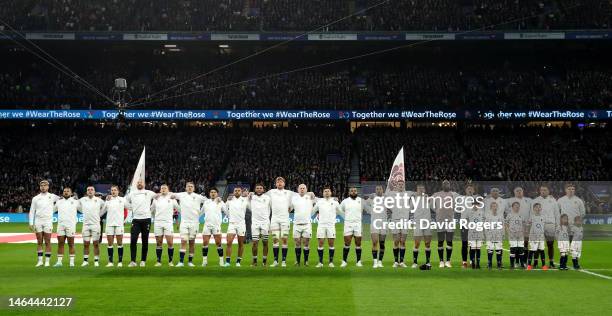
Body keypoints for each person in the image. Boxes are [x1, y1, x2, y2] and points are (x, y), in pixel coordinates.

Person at [171, 182, 207, 267]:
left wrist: (200, 213)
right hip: (184, 222)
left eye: (191, 186)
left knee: (192, 242)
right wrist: (168, 195)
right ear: (185, 188)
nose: (190, 188)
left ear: (194, 188)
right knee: (183, 241)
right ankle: (181, 262)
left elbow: (208, 201)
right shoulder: (181, 195)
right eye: (188, 186)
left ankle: (190, 261)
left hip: (194, 223)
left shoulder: (198, 197)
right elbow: (171, 194)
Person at [125, 180, 156, 267]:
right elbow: (125, 201)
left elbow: (158, 196)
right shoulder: (132, 193)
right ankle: (133, 261)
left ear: (144, 184)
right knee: (133, 240)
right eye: (138, 183)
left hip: (146, 219)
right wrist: (131, 208)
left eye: (141, 182)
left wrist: (151, 208)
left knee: (145, 240)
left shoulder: (149, 192)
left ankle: (143, 260)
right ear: (136, 184)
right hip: (136, 220)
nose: (139, 183)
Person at [29, 180, 59, 267]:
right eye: (41, 185)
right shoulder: (35, 198)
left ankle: (47, 261)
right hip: (38, 221)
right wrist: (31, 223)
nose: (43, 187)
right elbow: (32, 211)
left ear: (48, 187)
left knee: (47, 241)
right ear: (39, 187)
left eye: (45, 185)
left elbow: (62, 200)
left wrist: (53, 209)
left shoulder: (52, 196)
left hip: (48, 221)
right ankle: (40, 261)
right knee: (39, 241)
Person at [266, 177, 294, 267]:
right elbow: (261, 195)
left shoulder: (289, 193)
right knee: (275, 240)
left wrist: (310, 193)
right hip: (274, 219)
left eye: (281, 182)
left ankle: (284, 261)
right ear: (275, 184)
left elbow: (300, 195)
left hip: (285, 219)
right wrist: (251, 194)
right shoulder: (271, 192)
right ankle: (275, 261)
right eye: (278, 182)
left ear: (284, 184)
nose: (279, 183)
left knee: (284, 239)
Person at [432, 180, 459, 268]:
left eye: (447, 184)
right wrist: (437, 210)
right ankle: (441, 261)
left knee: (449, 241)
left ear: (450, 185)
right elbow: (430, 203)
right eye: (444, 184)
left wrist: (452, 210)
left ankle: (448, 261)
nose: (446, 185)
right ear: (442, 185)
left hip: (450, 220)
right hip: (440, 220)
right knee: (440, 241)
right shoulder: (436, 194)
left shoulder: (454, 194)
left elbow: (460, 201)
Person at [533, 185, 560, 268]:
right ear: (539, 191)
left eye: (545, 190)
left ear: (548, 191)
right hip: (539, 225)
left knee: (550, 244)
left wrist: (558, 225)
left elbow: (557, 213)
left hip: (550, 224)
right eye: (542, 190)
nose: (543, 191)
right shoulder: (535, 200)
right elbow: (532, 213)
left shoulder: (553, 200)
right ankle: (536, 262)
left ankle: (551, 262)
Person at [313, 187, 341, 268]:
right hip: (321, 225)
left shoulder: (335, 202)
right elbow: (312, 211)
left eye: (328, 191)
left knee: (331, 243)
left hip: (331, 225)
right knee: (320, 243)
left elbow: (340, 212)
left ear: (331, 193)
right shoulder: (319, 202)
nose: (327, 192)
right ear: (323, 193)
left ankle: (331, 262)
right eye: (325, 191)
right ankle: (320, 262)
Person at [151, 184, 178, 266]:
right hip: (158, 223)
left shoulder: (172, 198)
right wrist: (152, 218)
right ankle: (158, 261)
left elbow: (179, 208)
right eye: (162, 188)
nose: (163, 189)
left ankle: (170, 261)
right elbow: (151, 209)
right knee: (159, 242)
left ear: (168, 190)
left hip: (168, 222)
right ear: (160, 190)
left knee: (170, 242)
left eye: (165, 188)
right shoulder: (156, 199)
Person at [103, 185, 129, 267]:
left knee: (119, 243)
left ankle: (120, 262)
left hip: (119, 224)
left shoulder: (122, 200)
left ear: (118, 191)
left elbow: (130, 208)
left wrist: (125, 220)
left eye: (115, 190)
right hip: (109, 224)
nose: (113, 191)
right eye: (112, 190)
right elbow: (102, 211)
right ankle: (110, 262)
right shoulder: (108, 200)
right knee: (110, 243)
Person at [79, 186, 105, 267]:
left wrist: (99, 215)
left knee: (96, 243)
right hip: (86, 225)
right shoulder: (82, 200)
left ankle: (96, 260)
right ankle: (85, 261)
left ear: (94, 191)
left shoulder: (99, 200)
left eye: (91, 190)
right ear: (86, 192)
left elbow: (105, 207)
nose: (90, 191)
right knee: (86, 244)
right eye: (88, 190)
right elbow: (77, 206)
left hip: (96, 225)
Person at [290, 184, 316, 266]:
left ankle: (306, 261)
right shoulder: (294, 198)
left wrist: (334, 199)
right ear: (298, 189)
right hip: (296, 224)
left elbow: (320, 200)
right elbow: (289, 208)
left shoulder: (310, 197)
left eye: (303, 188)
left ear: (306, 189)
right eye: (300, 188)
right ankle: (297, 261)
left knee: (306, 243)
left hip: (307, 224)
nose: (302, 189)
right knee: (297, 243)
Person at [388, 180, 410, 268]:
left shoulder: (408, 194)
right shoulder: (392, 194)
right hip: (395, 220)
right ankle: (396, 261)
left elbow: (418, 194)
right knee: (396, 241)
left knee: (403, 241)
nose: (401, 186)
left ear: (404, 186)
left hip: (405, 220)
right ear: (397, 186)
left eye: (402, 184)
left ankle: (402, 261)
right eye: (399, 184)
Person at [364, 185, 388, 268]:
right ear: (375, 190)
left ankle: (380, 261)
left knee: (382, 243)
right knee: (374, 242)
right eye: (377, 189)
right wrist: (370, 211)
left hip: (383, 223)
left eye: (380, 189)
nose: (378, 190)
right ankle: (375, 261)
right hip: (374, 223)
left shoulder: (387, 198)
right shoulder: (372, 198)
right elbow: (364, 203)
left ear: (382, 190)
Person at [339, 187, 364, 268]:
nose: (353, 192)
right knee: (347, 243)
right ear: (349, 192)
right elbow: (340, 210)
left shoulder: (361, 201)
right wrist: (345, 217)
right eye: (351, 191)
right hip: (348, 224)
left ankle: (359, 261)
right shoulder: (345, 201)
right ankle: (344, 261)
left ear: (357, 192)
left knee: (358, 243)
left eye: (355, 191)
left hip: (358, 224)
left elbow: (367, 208)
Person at [53, 187, 78, 267]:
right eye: (64, 191)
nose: (66, 192)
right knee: (60, 243)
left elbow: (84, 209)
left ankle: (71, 262)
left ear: (71, 193)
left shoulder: (75, 202)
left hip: (70, 225)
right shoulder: (59, 202)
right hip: (60, 225)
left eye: (68, 191)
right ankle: (59, 262)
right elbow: (52, 210)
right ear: (63, 193)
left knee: (71, 244)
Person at [201, 188, 225, 267]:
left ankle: (221, 261)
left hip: (216, 225)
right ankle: (204, 261)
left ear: (217, 193)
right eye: (211, 192)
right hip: (207, 225)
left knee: (218, 243)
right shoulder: (206, 202)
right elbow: (201, 212)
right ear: (209, 193)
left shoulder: (220, 202)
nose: (213, 193)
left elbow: (226, 211)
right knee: (205, 243)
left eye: (214, 192)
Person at [224, 187, 248, 267]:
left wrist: (250, 194)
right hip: (232, 224)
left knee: (241, 243)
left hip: (241, 224)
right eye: (235, 191)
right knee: (229, 242)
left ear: (241, 192)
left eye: (238, 191)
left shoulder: (245, 200)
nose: (237, 192)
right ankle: (227, 262)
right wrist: (229, 217)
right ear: (233, 192)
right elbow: (225, 209)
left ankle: (238, 262)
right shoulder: (229, 200)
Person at [411, 184, 433, 270]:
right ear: (416, 190)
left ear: (424, 189)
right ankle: (415, 262)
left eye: (422, 188)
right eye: (419, 188)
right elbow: (410, 209)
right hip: (418, 223)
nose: (421, 190)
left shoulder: (428, 198)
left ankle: (428, 262)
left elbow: (433, 208)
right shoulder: (414, 198)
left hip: (427, 222)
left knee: (427, 243)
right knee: (417, 243)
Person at [249, 183, 271, 266]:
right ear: (255, 190)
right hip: (255, 223)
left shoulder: (267, 198)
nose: (259, 189)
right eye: (257, 188)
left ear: (263, 190)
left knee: (265, 242)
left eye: (260, 188)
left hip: (265, 223)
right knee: (254, 243)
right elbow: (242, 196)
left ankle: (264, 261)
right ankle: (254, 261)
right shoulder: (251, 197)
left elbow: (273, 207)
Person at [459, 184, 479, 269]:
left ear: (474, 190)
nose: (470, 190)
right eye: (468, 189)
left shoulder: (477, 199)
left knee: (472, 244)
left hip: (473, 225)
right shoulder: (461, 199)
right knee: (464, 244)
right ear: (465, 190)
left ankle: (471, 261)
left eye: (471, 189)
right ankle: (464, 262)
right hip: (464, 224)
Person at [506, 201, 526, 269]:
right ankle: (512, 264)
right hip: (512, 235)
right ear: (512, 207)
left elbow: (524, 224)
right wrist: (508, 232)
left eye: (518, 206)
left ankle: (522, 264)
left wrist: (523, 232)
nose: (517, 207)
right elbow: (506, 224)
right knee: (513, 249)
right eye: (515, 206)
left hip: (520, 235)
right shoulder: (509, 215)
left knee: (521, 249)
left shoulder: (521, 215)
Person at [527, 203, 547, 270]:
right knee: (532, 250)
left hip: (541, 236)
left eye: (539, 207)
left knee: (541, 250)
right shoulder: (531, 217)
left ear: (541, 208)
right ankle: (529, 265)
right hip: (533, 236)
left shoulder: (543, 217)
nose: (538, 208)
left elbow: (543, 227)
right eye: (536, 207)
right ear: (534, 209)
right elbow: (528, 226)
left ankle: (544, 265)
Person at [467, 199, 485, 269]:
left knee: (478, 249)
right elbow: (466, 220)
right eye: (474, 204)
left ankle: (478, 263)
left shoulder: (482, 213)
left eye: (477, 204)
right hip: (471, 233)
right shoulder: (469, 212)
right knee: (472, 248)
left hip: (479, 233)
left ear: (479, 205)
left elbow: (484, 222)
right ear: (472, 205)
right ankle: (473, 263)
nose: (475, 206)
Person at [485, 201, 504, 269]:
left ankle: (499, 263)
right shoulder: (488, 216)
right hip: (490, 235)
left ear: (497, 207)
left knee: (499, 249)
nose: (494, 207)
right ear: (491, 208)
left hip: (498, 235)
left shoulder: (500, 216)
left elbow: (502, 225)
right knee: (490, 249)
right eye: (493, 206)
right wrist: (487, 234)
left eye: (496, 206)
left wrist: (503, 234)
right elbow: (486, 226)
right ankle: (489, 262)